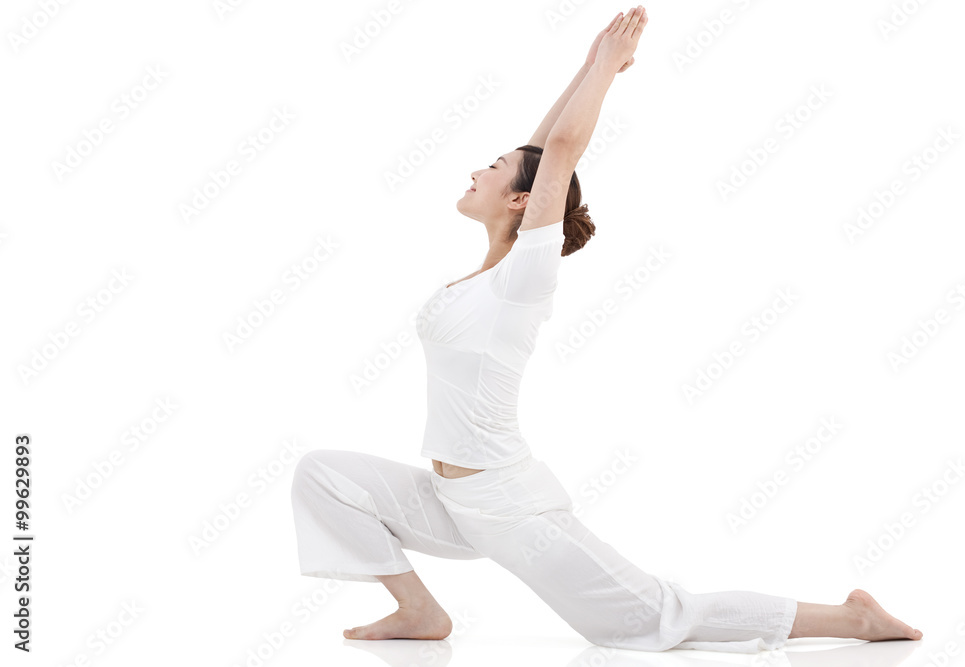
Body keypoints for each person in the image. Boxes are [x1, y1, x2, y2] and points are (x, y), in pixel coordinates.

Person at [290, 6, 923, 652]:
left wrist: (607, 71)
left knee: (654, 618)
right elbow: (542, 156)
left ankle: (854, 619)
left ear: (519, 203)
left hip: (512, 510)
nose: (476, 170)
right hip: (450, 500)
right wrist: (585, 65)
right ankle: (419, 609)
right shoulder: (487, 276)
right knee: (322, 474)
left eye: (493, 167)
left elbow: (557, 153)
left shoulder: (521, 282)